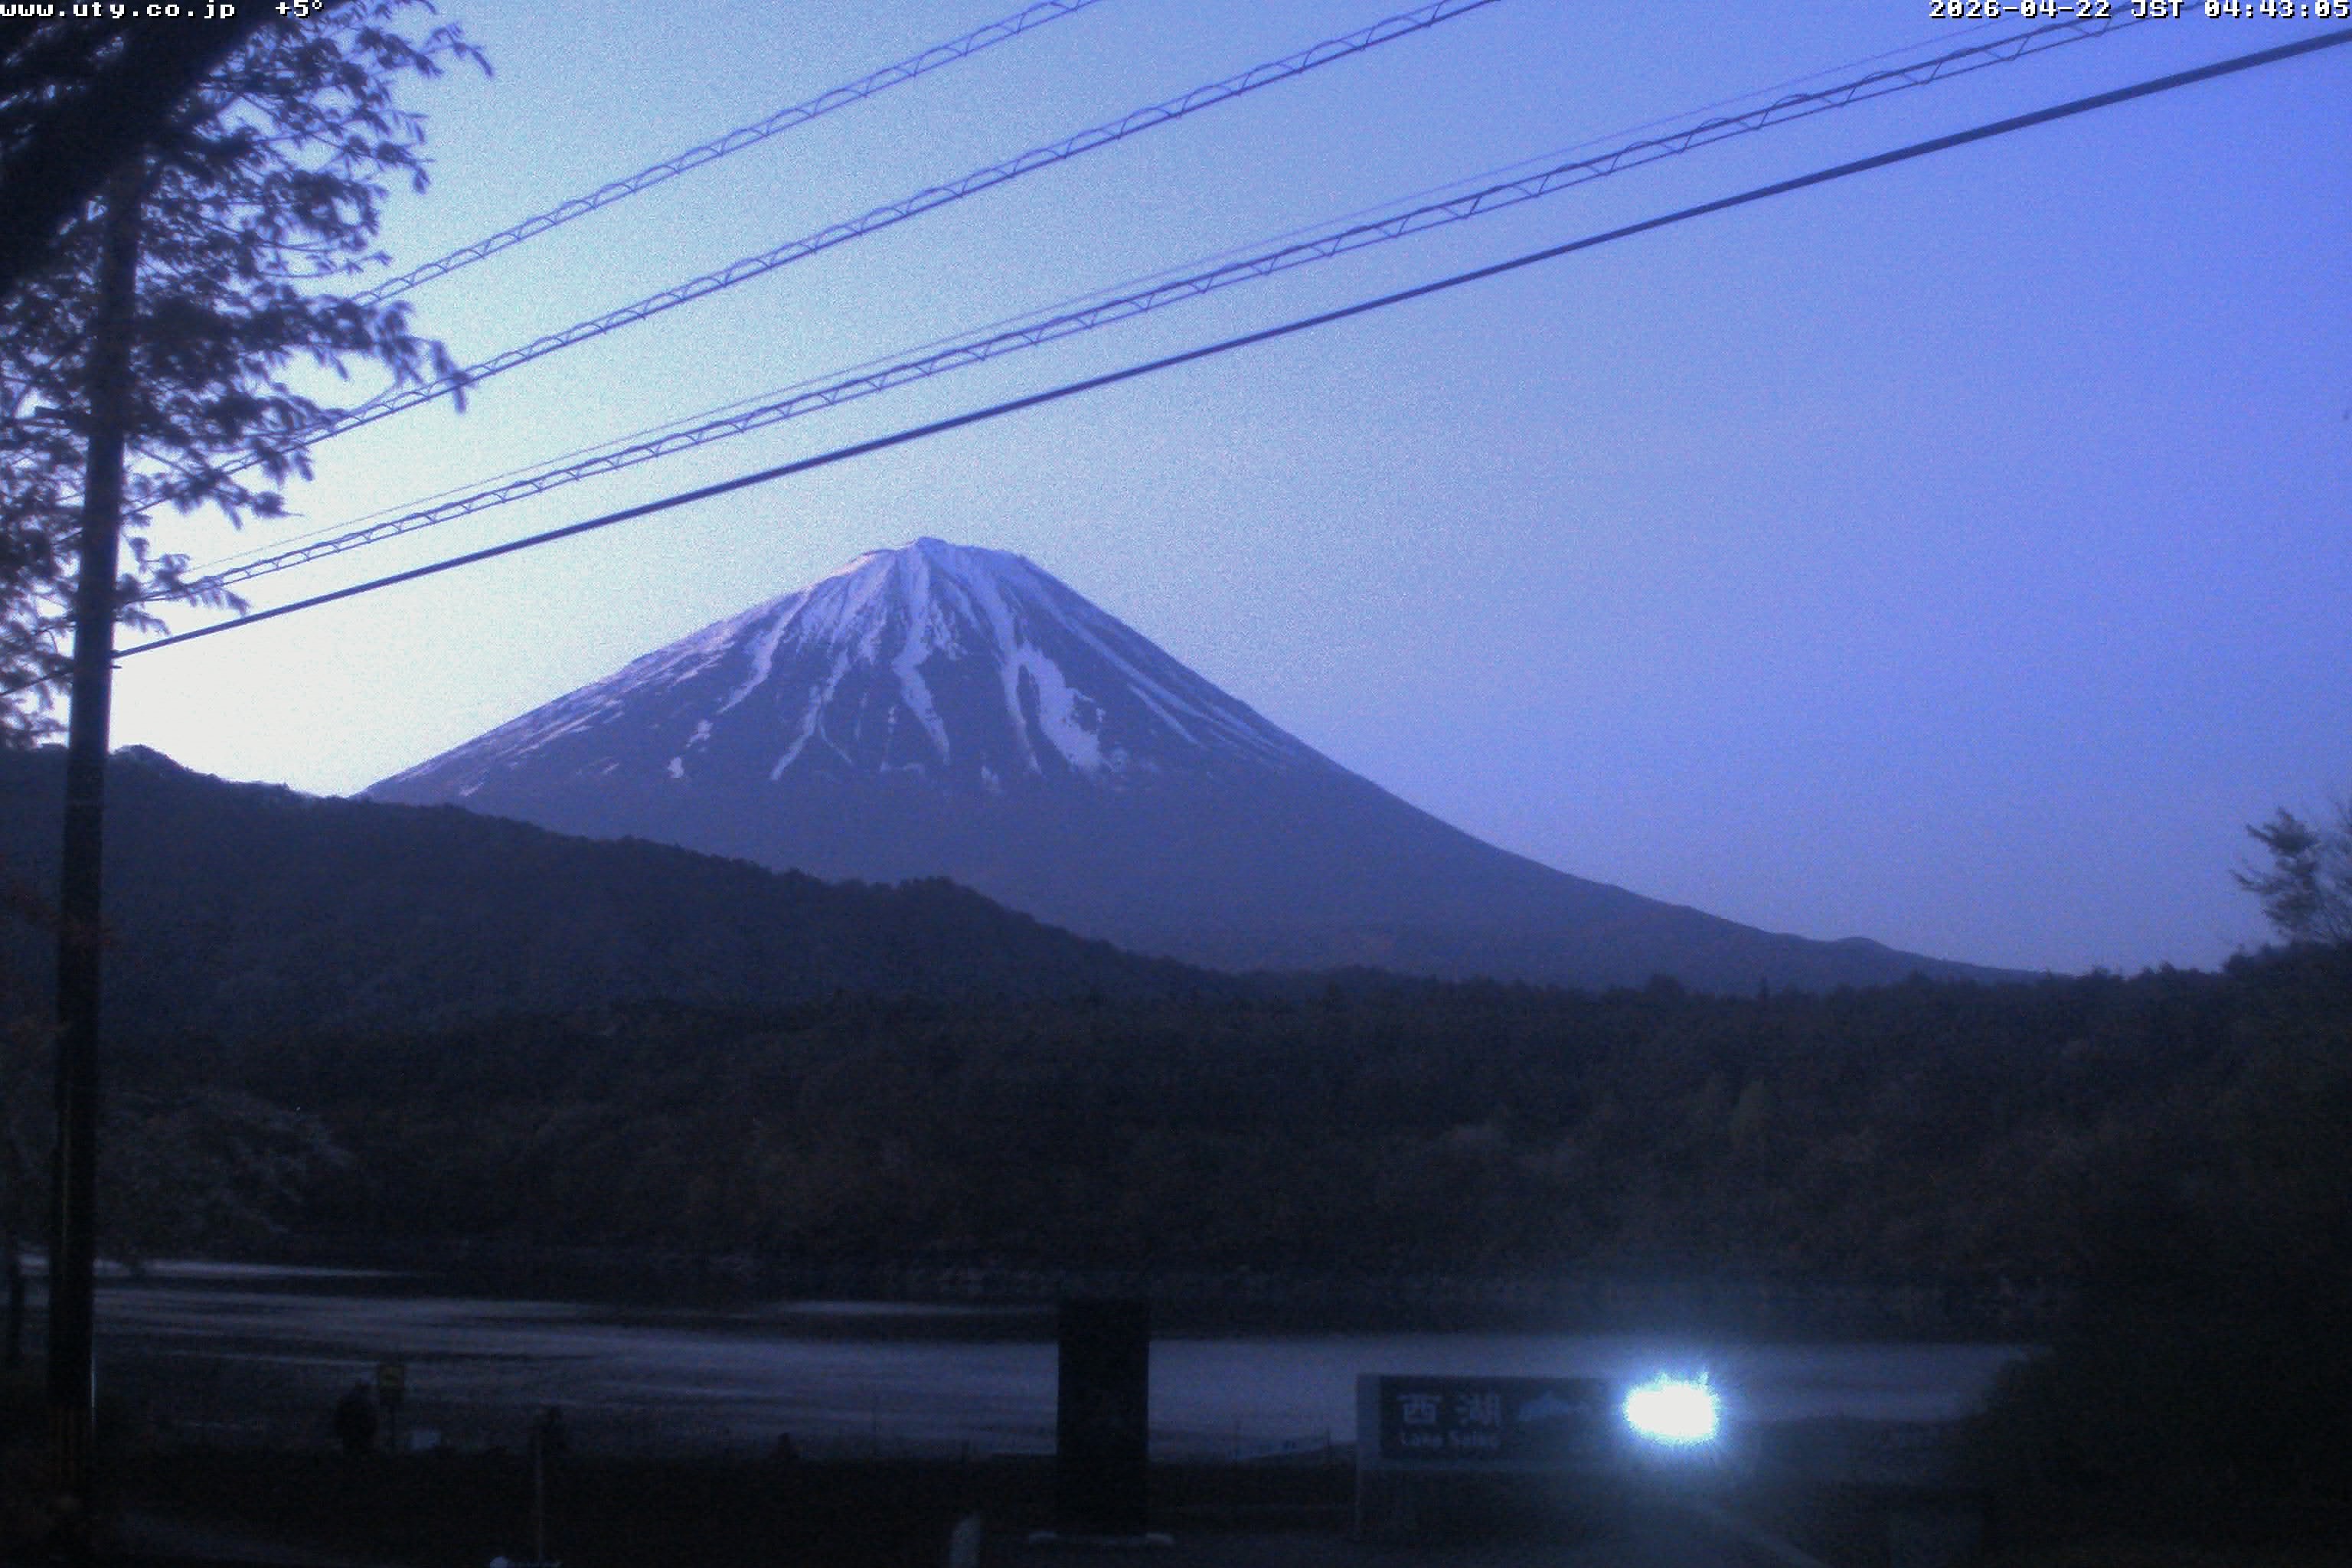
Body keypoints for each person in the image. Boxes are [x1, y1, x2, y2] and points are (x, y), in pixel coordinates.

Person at [333, 1379, 378, 1457]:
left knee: (349, 1454)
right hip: (363, 1434)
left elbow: (338, 1418)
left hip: (348, 1434)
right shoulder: (367, 1403)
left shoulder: (346, 1400)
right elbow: (372, 1419)